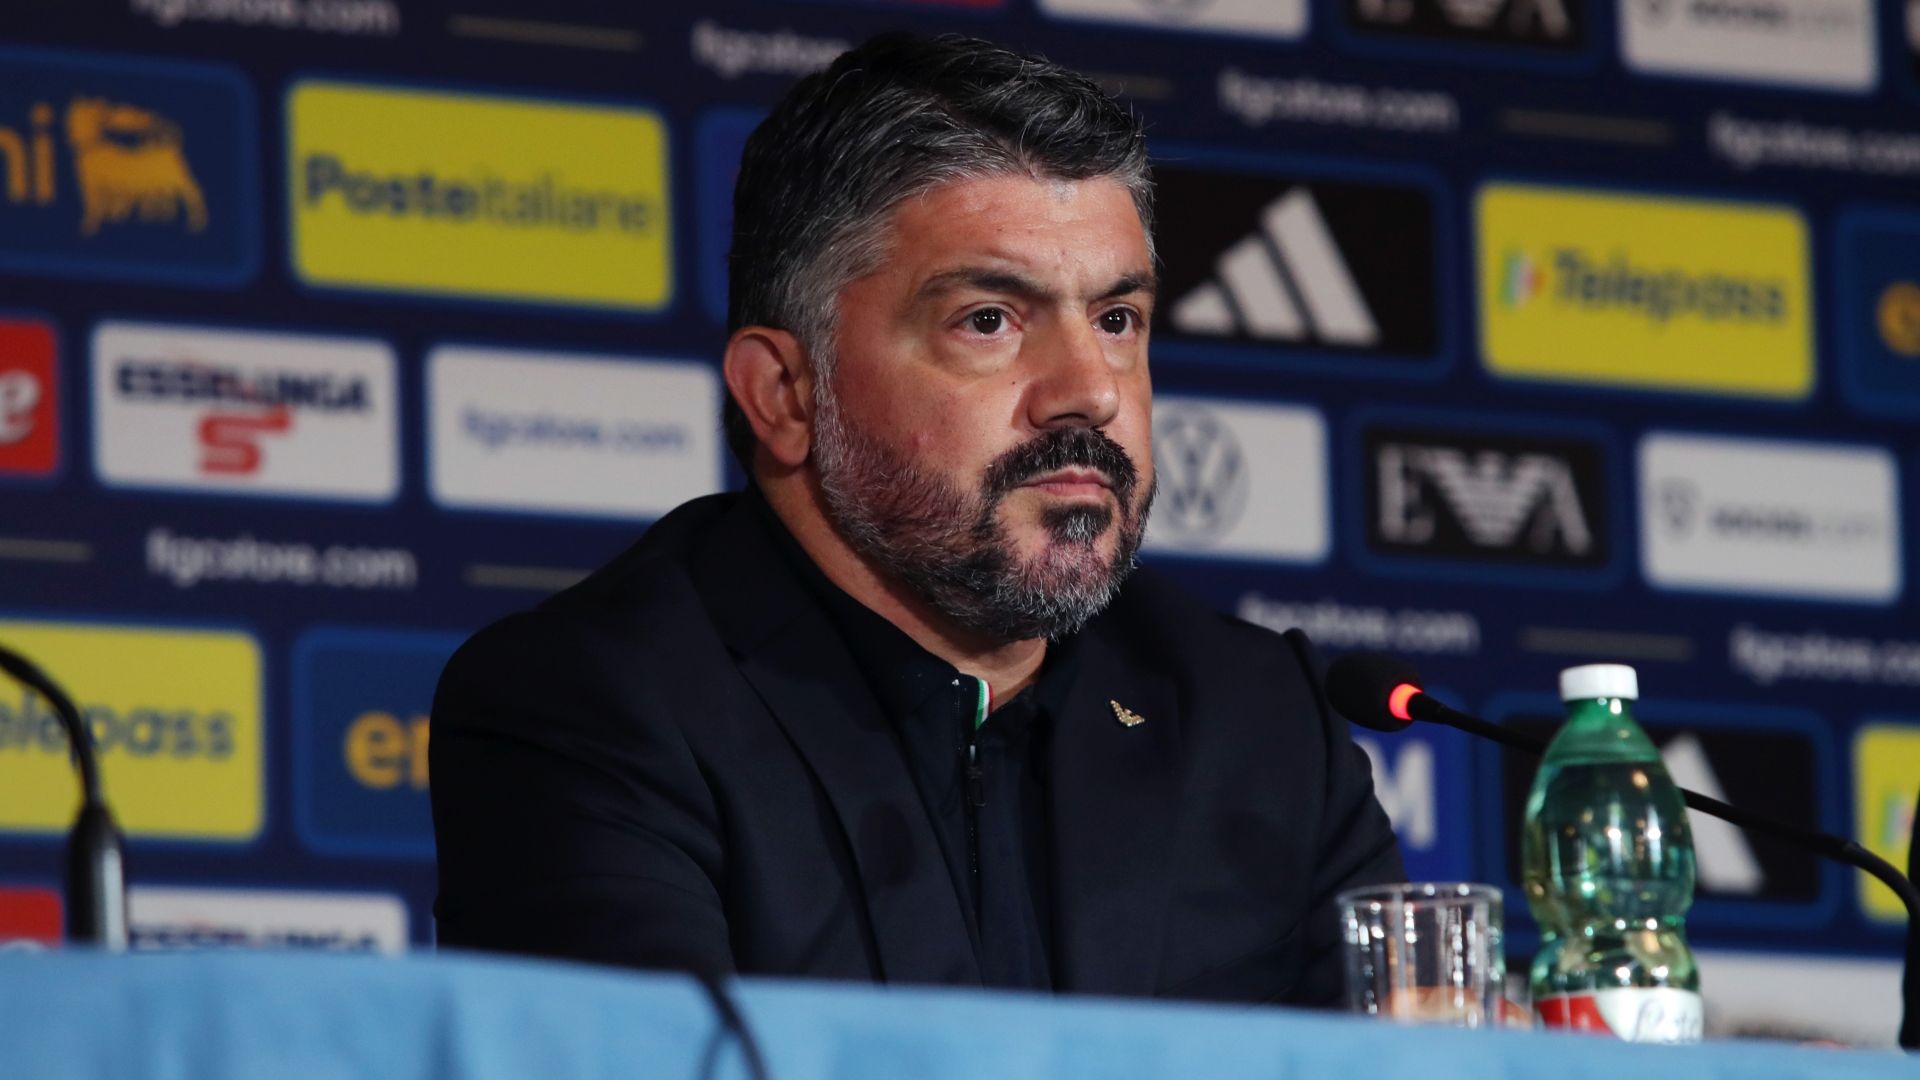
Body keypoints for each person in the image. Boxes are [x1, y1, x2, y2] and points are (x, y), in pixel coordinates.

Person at [430, 31, 1403, 1004]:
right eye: (990, 319)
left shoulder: (1261, 725)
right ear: (785, 393)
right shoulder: (598, 707)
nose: (1090, 393)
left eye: (1117, 321)